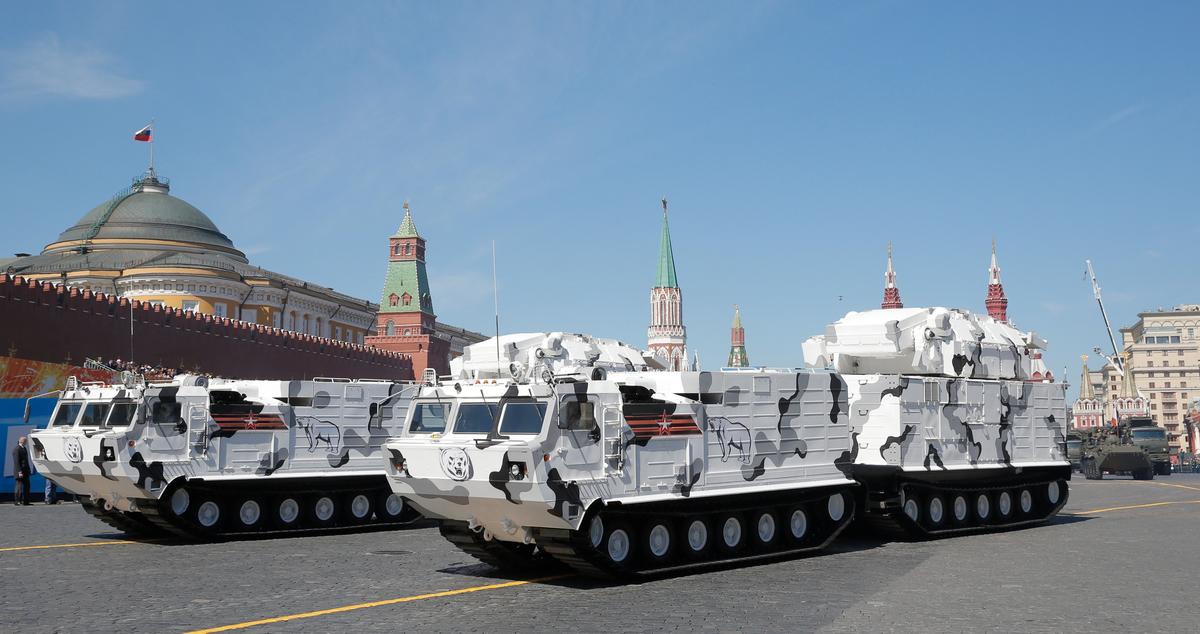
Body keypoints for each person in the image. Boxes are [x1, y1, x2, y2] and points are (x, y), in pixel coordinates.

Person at [11, 436, 31, 506]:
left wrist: (28, 469)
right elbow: (16, 462)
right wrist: (19, 472)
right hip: (20, 471)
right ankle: (17, 501)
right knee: (19, 487)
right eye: (25, 441)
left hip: (25, 471)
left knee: (27, 486)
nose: (26, 442)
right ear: (22, 441)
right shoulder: (17, 449)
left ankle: (26, 501)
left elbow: (26, 461)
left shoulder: (24, 448)